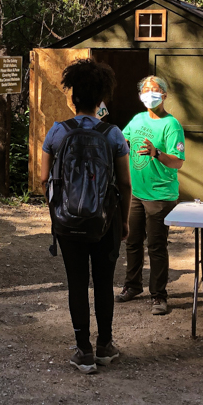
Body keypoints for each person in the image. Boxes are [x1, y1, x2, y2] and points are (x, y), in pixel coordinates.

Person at [40, 59, 132, 374]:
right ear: (100, 100)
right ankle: (105, 345)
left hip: (67, 220)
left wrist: (59, 210)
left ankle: (84, 350)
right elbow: (124, 183)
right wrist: (124, 220)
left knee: (77, 283)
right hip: (105, 220)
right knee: (104, 282)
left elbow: (44, 179)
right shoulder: (114, 134)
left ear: (73, 97)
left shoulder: (56, 132)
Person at [116, 75, 185, 315]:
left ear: (164, 95)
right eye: (145, 90)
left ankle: (159, 296)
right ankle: (132, 286)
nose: (149, 94)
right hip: (136, 192)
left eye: (154, 90)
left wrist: (156, 153)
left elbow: (178, 163)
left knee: (156, 246)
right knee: (132, 242)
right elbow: (123, 141)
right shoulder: (137, 119)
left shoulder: (171, 125)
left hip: (160, 195)